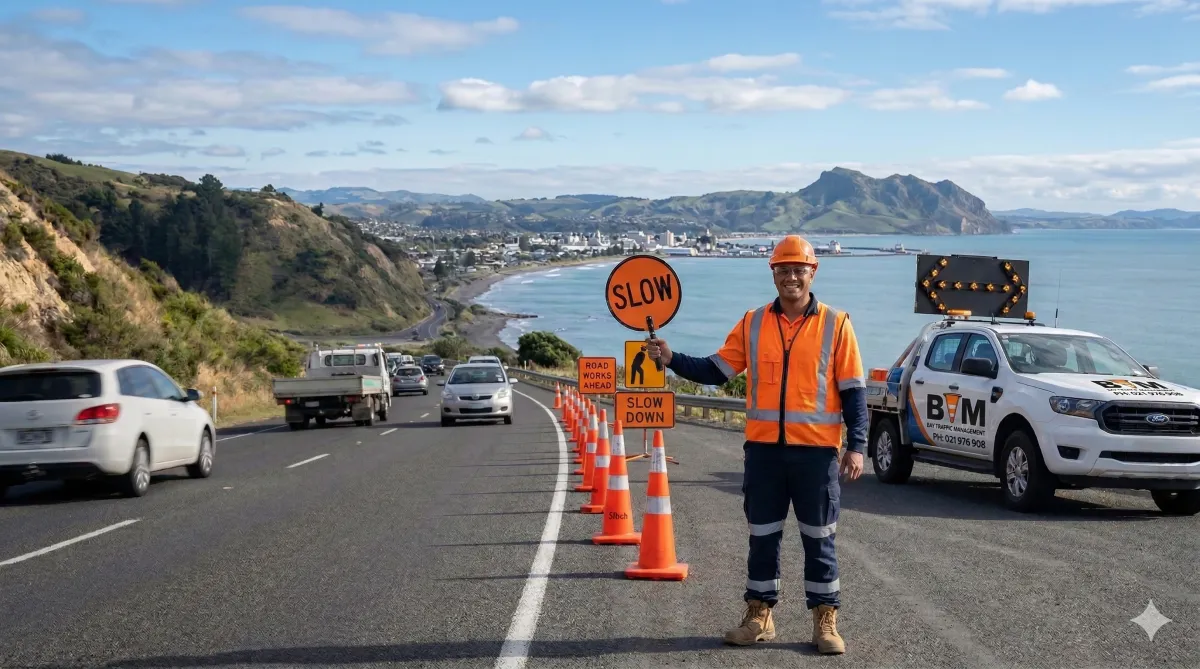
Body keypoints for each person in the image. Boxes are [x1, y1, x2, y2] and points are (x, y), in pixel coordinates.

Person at [643, 234, 867, 655]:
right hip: (764, 452)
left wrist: (856, 445)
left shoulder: (837, 324)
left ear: (812, 272)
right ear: (773, 274)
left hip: (816, 455)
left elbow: (853, 390)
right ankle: (759, 616)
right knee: (762, 536)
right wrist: (672, 359)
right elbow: (717, 370)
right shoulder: (753, 322)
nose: (791, 277)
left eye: (798, 269)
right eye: (783, 270)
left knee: (819, 538)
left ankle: (825, 620)